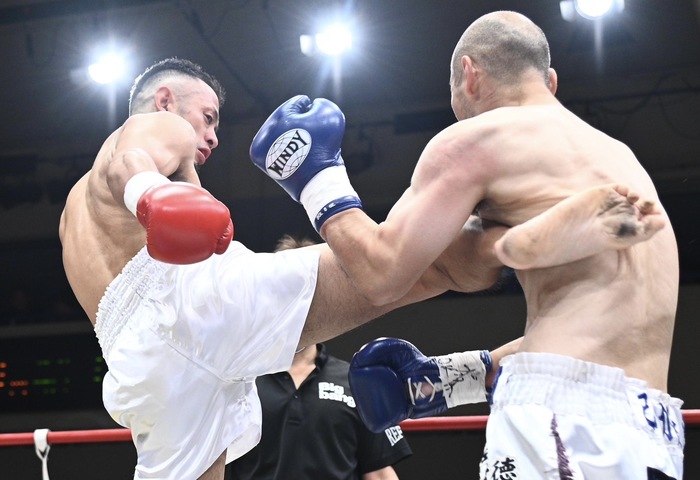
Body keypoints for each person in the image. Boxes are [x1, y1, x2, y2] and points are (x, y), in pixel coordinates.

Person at [57, 57, 605, 480]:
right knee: (418, 264)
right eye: (208, 118)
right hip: (194, 304)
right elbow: (130, 163)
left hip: (138, 370)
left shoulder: (69, 218)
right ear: (164, 100)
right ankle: (535, 233)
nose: (212, 136)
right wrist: (151, 196)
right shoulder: (158, 127)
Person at [249, 10, 682, 480]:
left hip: (557, 419)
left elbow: (380, 273)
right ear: (550, 81)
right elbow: (596, 341)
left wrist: (317, 180)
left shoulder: (477, 138)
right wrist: (452, 378)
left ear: (470, 75)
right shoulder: (622, 160)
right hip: (653, 427)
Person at [226, 234, 412, 480]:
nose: (296, 303)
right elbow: (214, 465)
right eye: (286, 291)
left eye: (305, 290)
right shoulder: (239, 380)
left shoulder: (356, 382)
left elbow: (377, 472)